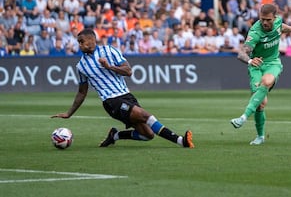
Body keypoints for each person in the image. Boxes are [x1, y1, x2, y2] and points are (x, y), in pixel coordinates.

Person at [51, 29, 194, 149]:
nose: (80, 45)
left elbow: (128, 71)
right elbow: (82, 92)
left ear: (92, 40)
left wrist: (110, 67)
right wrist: (69, 113)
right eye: (79, 42)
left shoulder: (110, 50)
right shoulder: (81, 66)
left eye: (82, 41)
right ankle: (181, 141)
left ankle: (115, 135)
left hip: (127, 96)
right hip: (111, 101)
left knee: (148, 135)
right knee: (145, 115)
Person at [230, 4, 291, 145]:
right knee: (261, 104)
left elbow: (282, 27)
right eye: (262, 19)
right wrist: (250, 61)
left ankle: (243, 117)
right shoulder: (255, 32)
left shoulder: (277, 22)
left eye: (268, 20)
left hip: (272, 63)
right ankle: (260, 136)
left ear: (275, 17)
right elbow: (242, 53)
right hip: (256, 66)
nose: (265, 22)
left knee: (266, 82)